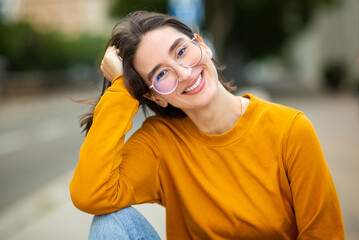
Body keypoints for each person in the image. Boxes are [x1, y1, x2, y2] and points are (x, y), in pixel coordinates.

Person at [70, 11, 344, 239]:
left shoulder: (290, 129)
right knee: (109, 225)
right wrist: (122, 90)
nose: (185, 73)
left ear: (202, 45)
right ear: (154, 96)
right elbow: (90, 194)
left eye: (181, 51)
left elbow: (324, 233)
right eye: (162, 74)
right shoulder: (160, 142)